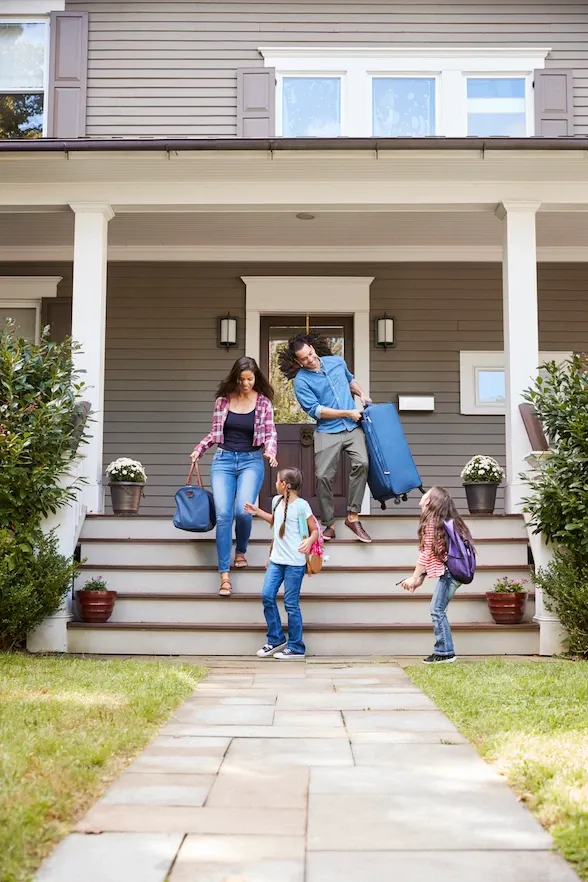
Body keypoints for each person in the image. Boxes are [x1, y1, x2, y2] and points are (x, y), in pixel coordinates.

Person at [191, 356, 278, 597]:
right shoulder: (223, 401)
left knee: (243, 510)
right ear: (235, 379)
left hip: (251, 461)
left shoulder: (263, 403)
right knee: (223, 514)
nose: (246, 384)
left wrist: (270, 452)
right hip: (224, 461)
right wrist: (199, 449)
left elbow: (270, 433)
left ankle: (241, 550)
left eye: (250, 379)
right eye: (242, 380)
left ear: (255, 378)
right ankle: (224, 575)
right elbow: (215, 432)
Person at [281, 333, 372, 543]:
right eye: (303, 358)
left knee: (362, 463)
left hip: (352, 428)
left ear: (313, 348)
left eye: (310, 354)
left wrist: (362, 394)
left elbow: (351, 381)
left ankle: (353, 517)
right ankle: (329, 524)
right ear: (297, 361)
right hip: (327, 431)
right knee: (322, 476)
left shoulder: (336, 362)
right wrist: (347, 412)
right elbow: (317, 410)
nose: (309, 359)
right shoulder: (301, 381)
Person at [245, 467, 318, 659]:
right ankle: (276, 639)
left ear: (286, 485)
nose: (275, 483)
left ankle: (296, 647)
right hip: (277, 561)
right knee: (267, 596)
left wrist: (309, 542)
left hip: (295, 563)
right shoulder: (276, 501)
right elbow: (277, 522)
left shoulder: (302, 506)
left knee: (291, 604)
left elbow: (315, 530)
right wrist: (257, 511)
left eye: (278, 481)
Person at [401, 485, 474, 664]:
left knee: (437, 610)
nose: (423, 494)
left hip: (450, 573)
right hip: (452, 572)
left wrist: (414, 576)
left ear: (429, 501)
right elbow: (437, 554)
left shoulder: (431, 522)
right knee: (438, 609)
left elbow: (426, 553)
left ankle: (445, 652)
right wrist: (419, 579)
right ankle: (445, 651)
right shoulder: (440, 521)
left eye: (426, 493)